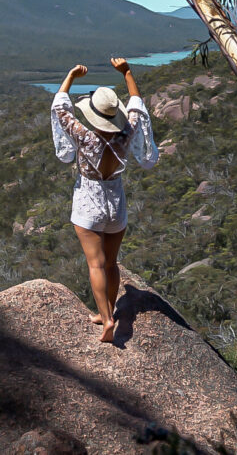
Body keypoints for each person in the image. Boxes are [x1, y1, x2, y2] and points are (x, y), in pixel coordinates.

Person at [51, 58, 158, 342]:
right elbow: (136, 103)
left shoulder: (85, 137)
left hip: (89, 200)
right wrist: (127, 73)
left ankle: (107, 319)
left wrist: (71, 76)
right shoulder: (125, 133)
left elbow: (60, 106)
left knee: (95, 265)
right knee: (111, 264)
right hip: (116, 202)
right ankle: (107, 310)